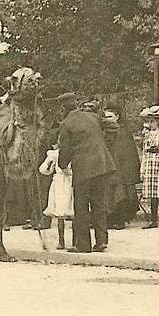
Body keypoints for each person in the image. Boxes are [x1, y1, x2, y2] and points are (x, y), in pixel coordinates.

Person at [57, 98, 117, 253]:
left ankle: (83, 245)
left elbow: (65, 150)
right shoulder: (92, 116)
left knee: (81, 207)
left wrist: (62, 165)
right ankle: (101, 241)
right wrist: (105, 144)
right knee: (99, 204)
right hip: (102, 166)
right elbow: (113, 126)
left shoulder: (66, 124)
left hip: (83, 169)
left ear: (63, 108)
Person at [101, 106, 142, 230]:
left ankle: (120, 219)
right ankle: (109, 219)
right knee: (107, 193)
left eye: (110, 116)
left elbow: (129, 152)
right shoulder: (103, 132)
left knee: (122, 193)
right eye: (105, 117)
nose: (108, 119)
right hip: (108, 167)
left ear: (117, 117)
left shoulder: (123, 132)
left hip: (122, 168)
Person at [39, 144, 73, 250]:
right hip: (69, 181)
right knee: (69, 211)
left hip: (62, 182)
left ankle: (63, 241)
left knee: (62, 213)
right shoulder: (72, 151)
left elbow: (43, 170)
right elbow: (43, 170)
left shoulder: (56, 154)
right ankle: (71, 241)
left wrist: (50, 166)